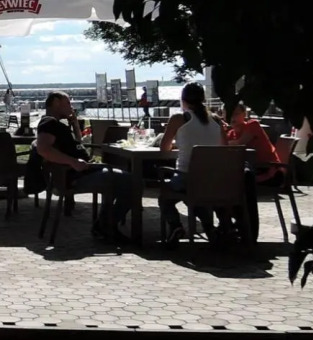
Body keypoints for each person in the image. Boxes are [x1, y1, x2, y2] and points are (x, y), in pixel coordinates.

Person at [25, 91, 143, 244]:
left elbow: (77, 144)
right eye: (68, 103)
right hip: (75, 176)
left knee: (118, 181)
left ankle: (105, 225)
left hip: (79, 172)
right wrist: (72, 162)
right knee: (134, 182)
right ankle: (107, 226)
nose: (71, 107)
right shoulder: (49, 123)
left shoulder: (56, 125)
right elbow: (44, 149)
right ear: (55, 103)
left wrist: (74, 124)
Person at [158, 82, 227, 244]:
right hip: (214, 178)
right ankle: (210, 229)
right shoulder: (217, 120)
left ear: (183, 100)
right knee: (197, 196)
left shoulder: (179, 118)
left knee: (164, 197)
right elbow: (224, 148)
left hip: (187, 176)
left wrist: (179, 144)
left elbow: (164, 148)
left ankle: (175, 226)